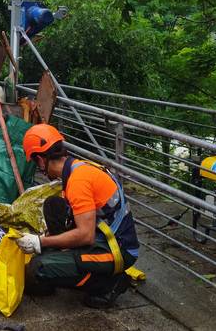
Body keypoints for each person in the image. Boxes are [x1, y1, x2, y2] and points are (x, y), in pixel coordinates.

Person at [15, 124, 140, 308]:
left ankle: (108, 283)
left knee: (37, 268)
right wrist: (46, 238)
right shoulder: (75, 168)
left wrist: (40, 243)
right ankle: (66, 262)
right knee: (53, 205)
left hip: (117, 251)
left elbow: (85, 235)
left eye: (36, 163)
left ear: (41, 160)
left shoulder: (78, 181)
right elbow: (75, 217)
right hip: (104, 236)